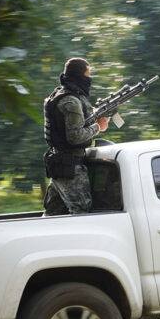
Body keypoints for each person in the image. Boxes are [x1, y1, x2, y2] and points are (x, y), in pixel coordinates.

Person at [42, 58, 110, 216]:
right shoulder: (71, 101)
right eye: (87, 75)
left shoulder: (57, 95)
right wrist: (98, 127)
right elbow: (75, 136)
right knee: (82, 213)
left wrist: (93, 118)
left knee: (53, 214)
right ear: (79, 76)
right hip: (70, 168)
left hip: (60, 164)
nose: (89, 79)